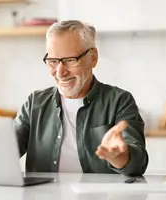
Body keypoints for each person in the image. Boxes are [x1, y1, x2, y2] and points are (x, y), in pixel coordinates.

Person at [13, 20, 149, 176]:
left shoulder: (119, 101)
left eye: (70, 60)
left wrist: (121, 157)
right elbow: (6, 151)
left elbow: (138, 164)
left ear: (93, 58)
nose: (60, 72)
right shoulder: (34, 103)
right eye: (53, 61)